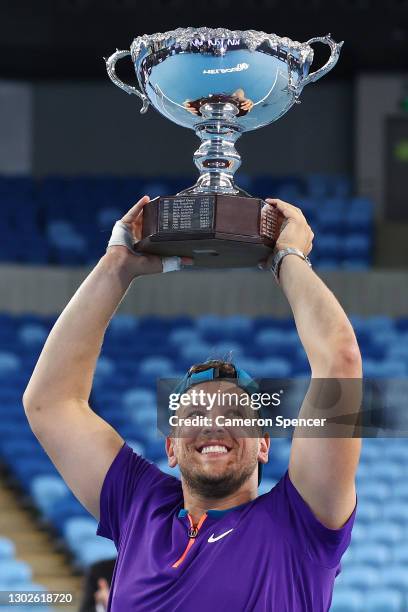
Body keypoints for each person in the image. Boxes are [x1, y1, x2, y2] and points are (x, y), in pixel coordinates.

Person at [22, 196, 362, 611]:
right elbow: (49, 403)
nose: (212, 424)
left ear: (263, 444)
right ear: (170, 447)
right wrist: (116, 268)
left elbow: (339, 364)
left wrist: (288, 258)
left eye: (235, 415)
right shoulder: (138, 506)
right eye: (195, 414)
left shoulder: (302, 521)